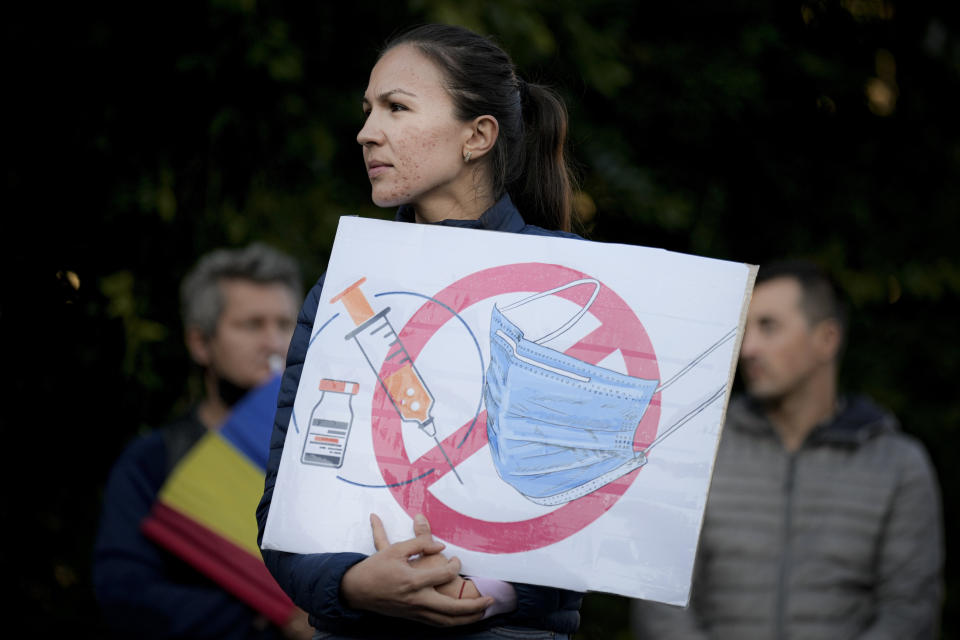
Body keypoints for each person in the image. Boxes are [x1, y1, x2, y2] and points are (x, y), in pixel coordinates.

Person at [255, 23, 583, 640]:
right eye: (368, 110)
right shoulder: (342, 294)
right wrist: (351, 585)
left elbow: (598, 495)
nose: (366, 132)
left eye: (396, 108)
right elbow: (286, 504)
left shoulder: (571, 285)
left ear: (477, 136)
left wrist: (486, 591)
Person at [631, 260, 944, 639]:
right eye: (746, 329)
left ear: (826, 339)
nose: (748, 348)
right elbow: (659, 599)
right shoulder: (697, 452)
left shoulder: (897, 465)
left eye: (769, 327)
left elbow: (909, 611)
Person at [93, 243, 314, 639]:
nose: (273, 342)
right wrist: (271, 614)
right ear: (200, 343)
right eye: (251, 324)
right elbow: (124, 595)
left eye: (284, 324)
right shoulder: (151, 462)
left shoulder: (327, 453)